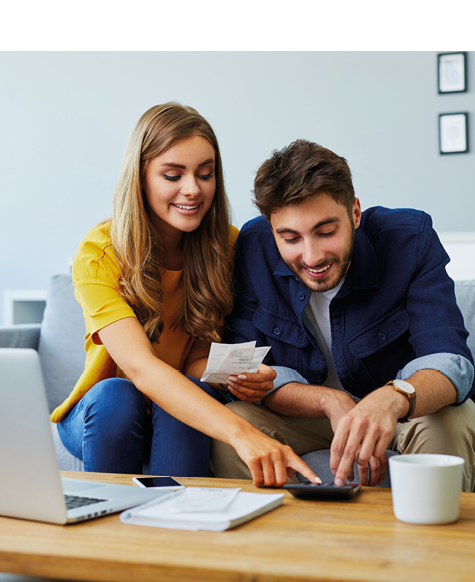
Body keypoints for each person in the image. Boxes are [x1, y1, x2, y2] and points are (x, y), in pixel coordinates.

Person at [50, 103, 319, 486]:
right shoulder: (100, 252)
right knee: (117, 394)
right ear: (141, 178)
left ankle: (183, 534)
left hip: (176, 412)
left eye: (205, 174)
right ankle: (110, 538)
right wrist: (243, 434)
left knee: (187, 391)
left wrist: (233, 377)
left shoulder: (226, 246)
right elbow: (142, 369)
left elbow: (194, 361)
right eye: (173, 175)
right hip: (104, 413)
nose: (193, 189)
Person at [211, 139, 475, 492]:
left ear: (355, 213)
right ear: (272, 230)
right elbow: (251, 373)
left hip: (406, 411)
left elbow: (451, 361)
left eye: (326, 232)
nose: (311, 256)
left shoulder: (410, 239)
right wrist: (328, 400)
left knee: (451, 421)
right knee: (232, 426)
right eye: (290, 238)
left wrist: (392, 398)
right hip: (311, 416)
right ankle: (282, 545)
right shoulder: (253, 247)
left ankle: (429, 546)